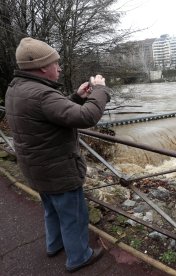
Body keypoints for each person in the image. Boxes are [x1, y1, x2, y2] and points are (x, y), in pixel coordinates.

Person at [5, 37, 111, 272]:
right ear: (43, 67)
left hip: (36, 167)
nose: (60, 67)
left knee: (52, 209)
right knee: (73, 214)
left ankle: (54, 244)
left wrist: (75, 98)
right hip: (57, 168)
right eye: (56, 63)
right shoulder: (43, 94)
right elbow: (86, 118)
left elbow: (49, 115)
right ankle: (79, 257)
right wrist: (101, 90)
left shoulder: (17, 88)